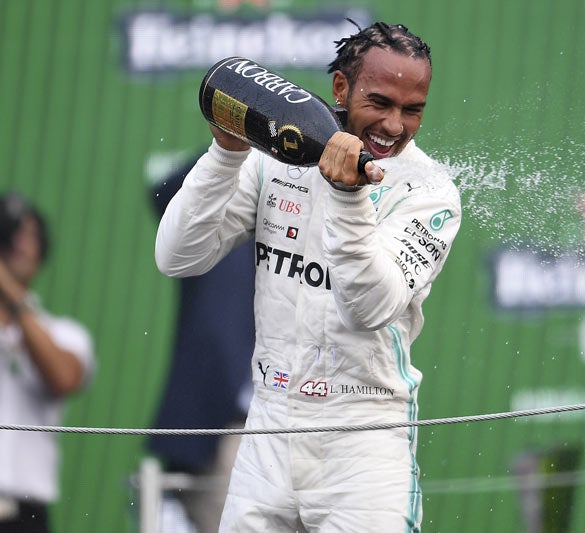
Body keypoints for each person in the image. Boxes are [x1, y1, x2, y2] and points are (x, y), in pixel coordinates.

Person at [155, 21, 461, 532]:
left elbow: (369, 306)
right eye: (380, 102)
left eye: (413, 110)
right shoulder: (275, 159)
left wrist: (347, 197)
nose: (394, 125)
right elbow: (177, 256)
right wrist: (225, 152)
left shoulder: (429, 191)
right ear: (341, 88)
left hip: (362, 440)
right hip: (269, 425)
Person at [147, 156, 256, 533]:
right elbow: (164, 194)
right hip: (225, 425)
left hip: (296, 425)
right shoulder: (219, 226)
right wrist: (240, 141)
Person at [0, 192, 95, 533]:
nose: (21, 246)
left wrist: (10, 292)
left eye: (32, 236)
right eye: (12, 233)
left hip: (25, 516)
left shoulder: (64, 334)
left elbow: (63, 377)